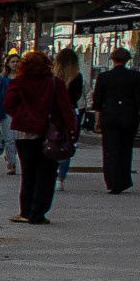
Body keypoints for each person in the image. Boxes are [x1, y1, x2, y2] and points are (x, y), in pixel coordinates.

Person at [2, 51, 76, 225]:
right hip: (50, 134)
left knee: (28, 173)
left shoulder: (17, 82)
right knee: (47, 173)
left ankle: (26, 211)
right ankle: (38, 213)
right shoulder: (54, 83)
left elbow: (8, 105)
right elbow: (66, 109)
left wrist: (21, 116)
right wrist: (71, 132)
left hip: (24, 133)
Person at [90, 48, 140, 193]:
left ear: (112, 59)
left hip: (109, 115)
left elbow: (97, 101)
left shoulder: (103, 77)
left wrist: (98, 120)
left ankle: (112, 182)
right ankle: (123, 180)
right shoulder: (135, 76)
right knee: (125, 149)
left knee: (110, 150)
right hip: (129, 115)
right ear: (127, 59)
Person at [53, 48, 85, 184]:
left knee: (52, 141)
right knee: (67, 144)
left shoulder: (53, 77)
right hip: (70, 113)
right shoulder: (77, 77)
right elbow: (77, 96)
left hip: (54, 113)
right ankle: (61, 178)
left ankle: (52, 171)